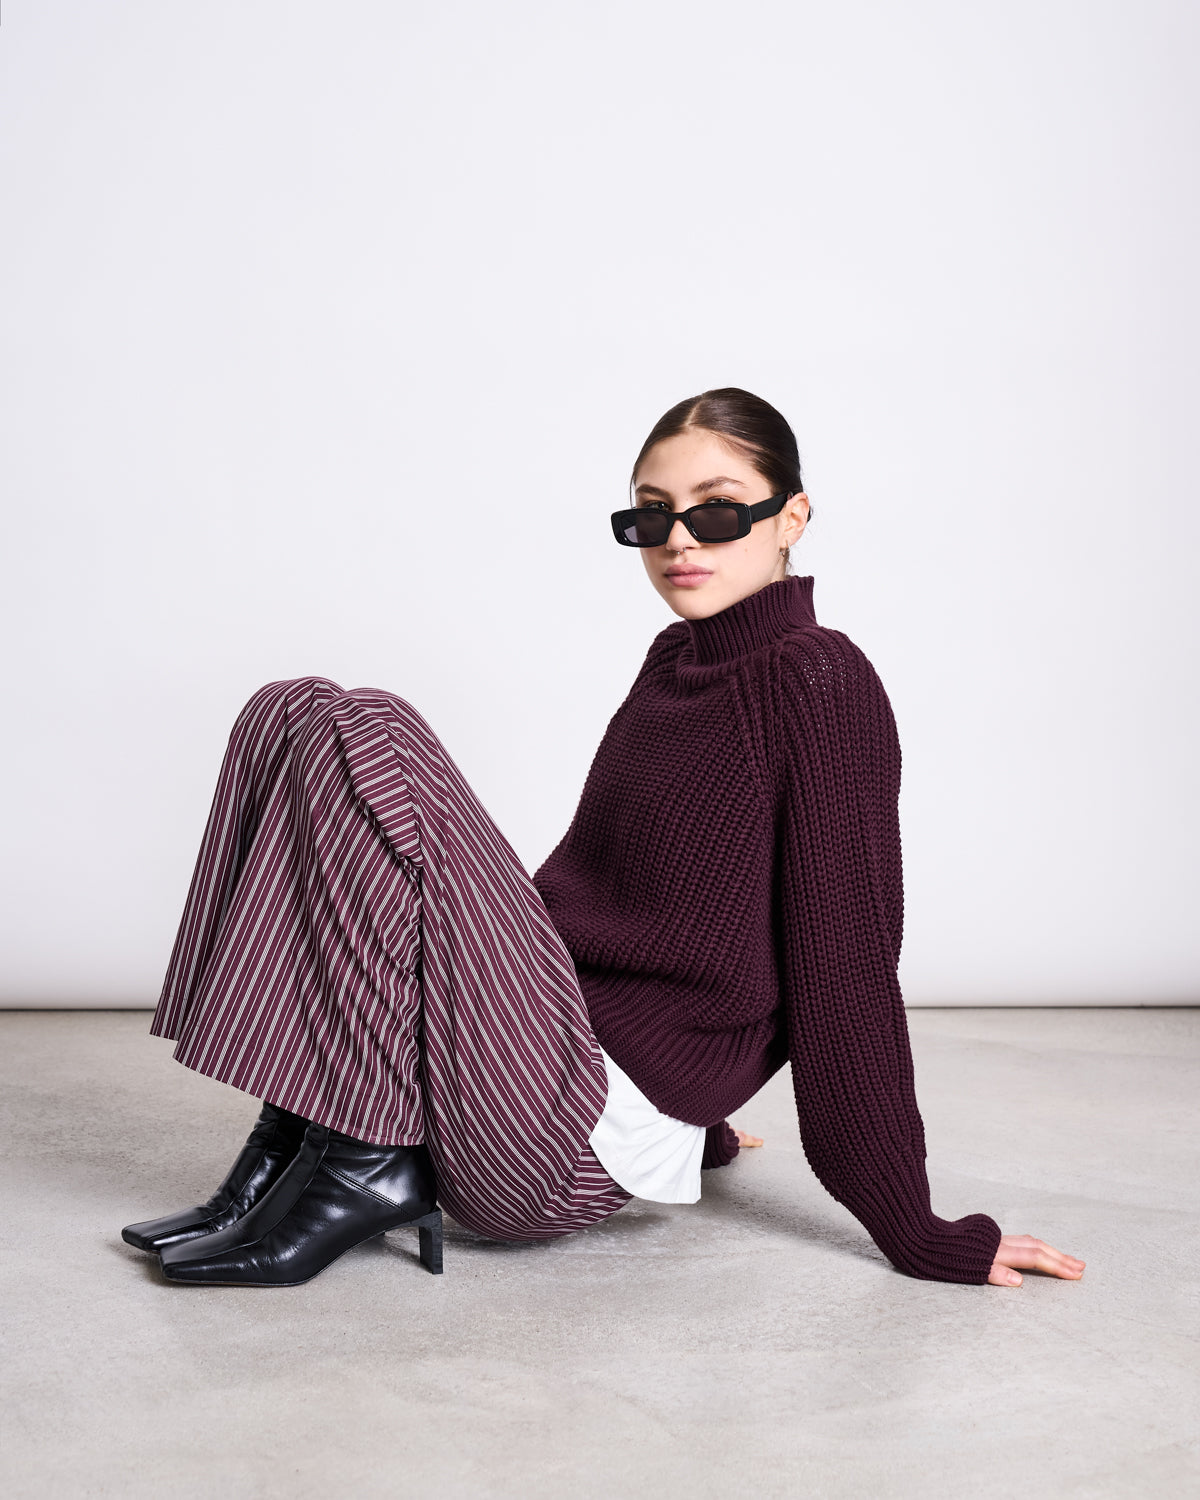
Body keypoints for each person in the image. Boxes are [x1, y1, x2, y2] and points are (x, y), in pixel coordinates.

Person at [121, 387, 1086, 1291]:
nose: (680, 540)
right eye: (652, 516)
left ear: (792, 517)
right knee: (291, 710)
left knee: (364, 725)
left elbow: (846, 968)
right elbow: (620, 906)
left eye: (717, 510)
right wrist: (704, 1120)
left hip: (559, 1144)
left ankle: (366, 1166)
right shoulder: (673, 661)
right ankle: (295, 1139)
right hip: (519, 1068)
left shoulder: (820, 681)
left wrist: (914, 1227)